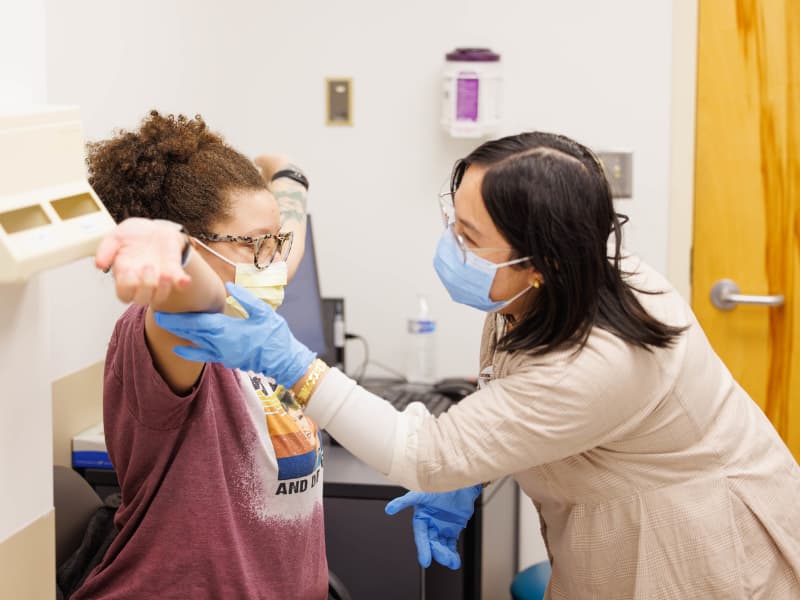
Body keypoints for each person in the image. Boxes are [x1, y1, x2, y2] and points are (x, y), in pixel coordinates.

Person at [156, 131, 800, 598]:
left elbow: (424, 453)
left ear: (541, 259)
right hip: (612, 525)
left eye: (469, 237)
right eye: (453, 220)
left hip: (695, 546)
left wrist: (287, 359)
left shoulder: (603, 356)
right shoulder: (541, 292)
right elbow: (516, 399)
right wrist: (482, 456)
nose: (450, 245)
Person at [72, 110, 327, 599]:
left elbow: (283, 240)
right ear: (188, 243)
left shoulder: (251, 306)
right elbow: (195, 296)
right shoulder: (167, 331)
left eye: (276, 241)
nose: (273, 260)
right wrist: (178, 259)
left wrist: (286, 173)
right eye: (254, 244)